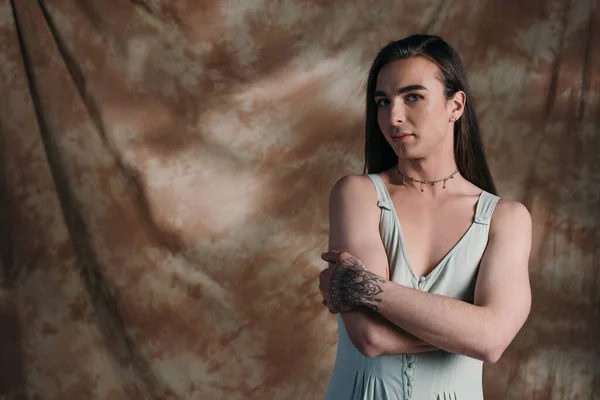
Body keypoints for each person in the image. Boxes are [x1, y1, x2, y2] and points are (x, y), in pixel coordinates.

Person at [318, 34, 532, 400]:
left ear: (456, 105)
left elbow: (492, 340)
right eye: (383, 102)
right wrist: (466, 329)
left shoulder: (506, 218)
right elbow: (371, 338)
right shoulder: (357, 194)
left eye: (412, 97)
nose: (393, 116)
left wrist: (363, 287)